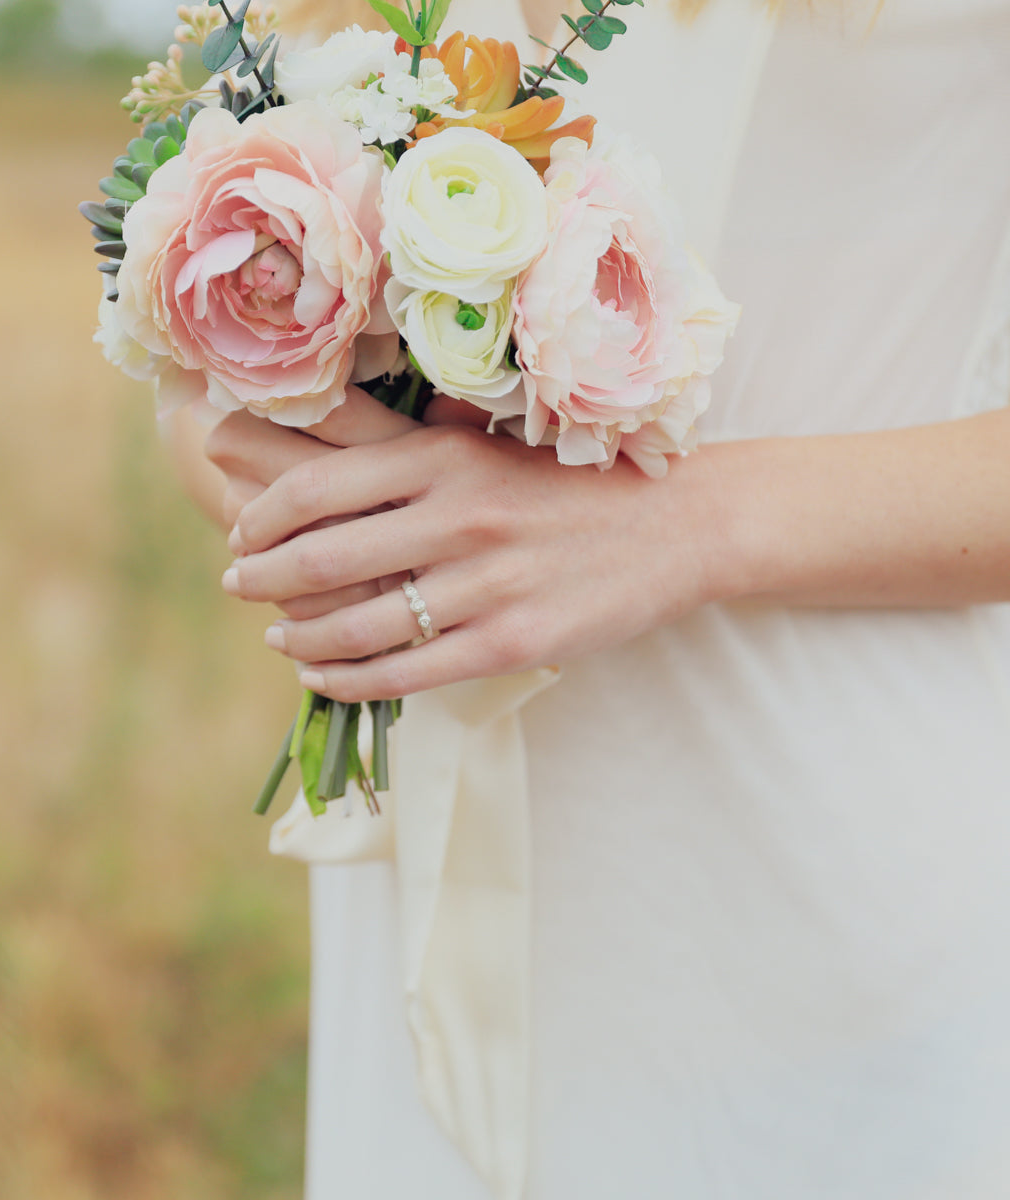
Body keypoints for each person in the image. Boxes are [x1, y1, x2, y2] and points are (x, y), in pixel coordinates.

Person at [166, 0, 1010, 1195]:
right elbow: (185, 391)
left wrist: (687, 523)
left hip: (820, 906)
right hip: (435, 914)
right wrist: (354, 504)